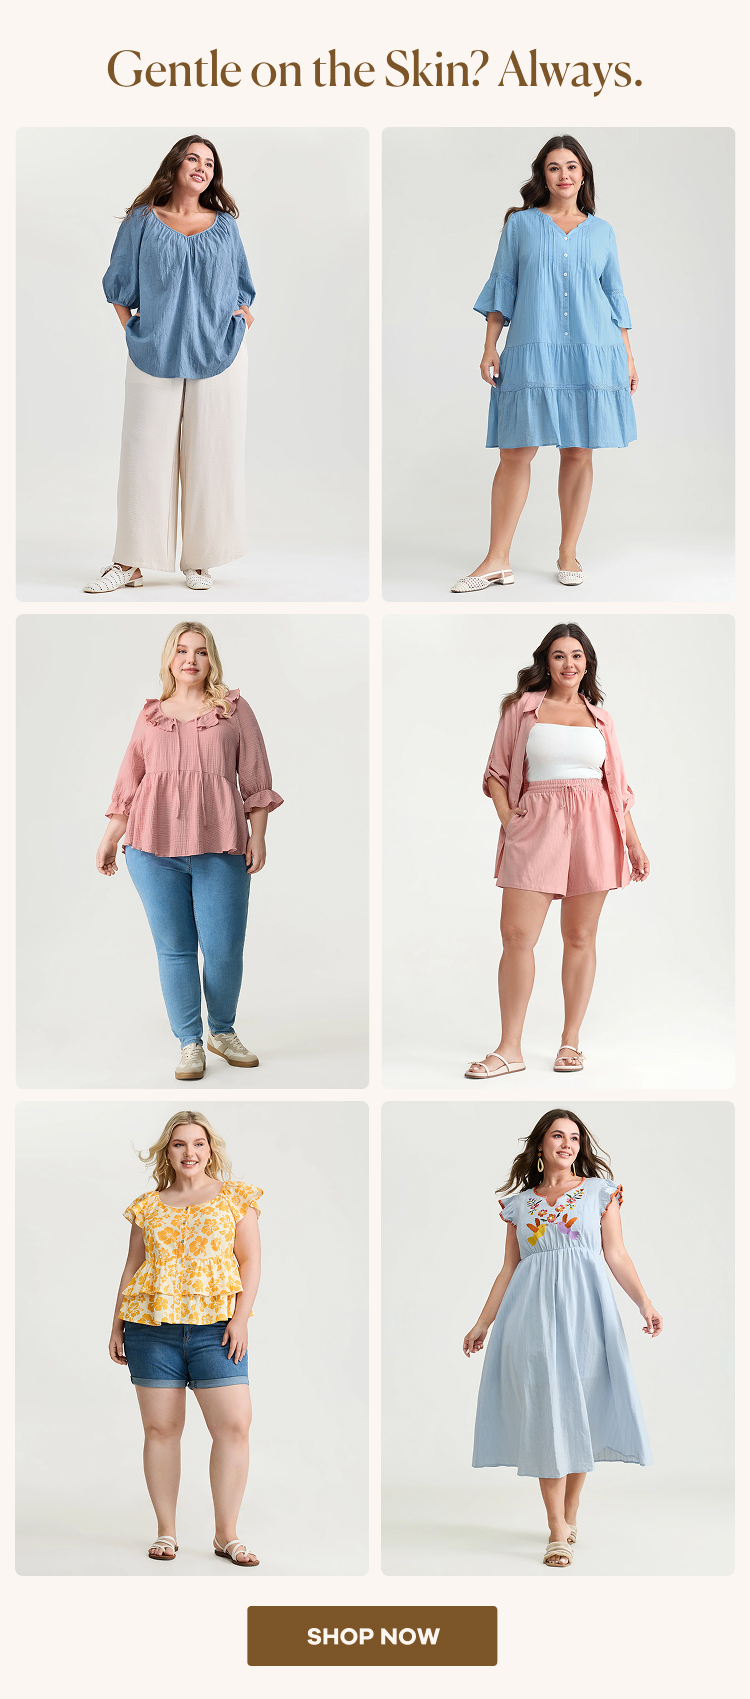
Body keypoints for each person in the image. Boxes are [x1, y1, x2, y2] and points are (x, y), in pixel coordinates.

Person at [463, 1110, 661, 1567]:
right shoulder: (520, 1204)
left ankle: (570, 1514)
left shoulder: (598, 1193)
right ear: (540, 1144)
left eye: (575, 1137)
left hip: (588, 1313)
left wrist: (644, 1303)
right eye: (558, 1135)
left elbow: (616, 1254)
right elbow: (509, 1268)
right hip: (530, 1316)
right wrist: (483, 1323)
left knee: (579, 1412)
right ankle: (556, 1528)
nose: (567, 1144)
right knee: (547, 1415)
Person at [451, 135, 638, 594]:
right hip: (532, 347)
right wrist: (489, 345)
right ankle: (497, 559)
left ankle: (568, 551)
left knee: (579, 449)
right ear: (543, 176)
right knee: (516, 451)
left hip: (595, 350)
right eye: (554, 168)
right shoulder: (521, 226)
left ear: (584, 174)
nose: (564, 175)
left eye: (571, 166)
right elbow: (504, 285)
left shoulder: (602, 231)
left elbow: (614, 296)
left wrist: (629, 358)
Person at [96, 621, 283, 1079]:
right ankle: (189, 1043)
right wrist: (109, 840)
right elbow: (130, 782)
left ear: (211, 659)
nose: (191, 660)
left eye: (200, 652)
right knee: (175, 950)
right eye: (182, 651)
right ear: (169, 659)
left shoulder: (233, 711)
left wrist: (257, 835)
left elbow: (255, 778)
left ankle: (222, 1030)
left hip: (221, 845)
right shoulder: (151, 715)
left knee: (223, 950)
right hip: (151, 848)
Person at [465, 624, 649, 1080]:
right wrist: (511, 820)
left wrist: (633, 841)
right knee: (516, 937)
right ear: (545, 663)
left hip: (596, 827)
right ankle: (510, 1049)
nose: (569, 664)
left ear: (587, 663)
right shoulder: (522, 709)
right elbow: (495, 772)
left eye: (577, 656)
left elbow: (616, 787)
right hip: (537, 825)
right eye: (559, 655)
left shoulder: (601, 718)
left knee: (581, 938)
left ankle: (571, 1042)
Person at [84, 134, 255, 593]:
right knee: (144, 455)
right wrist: (133, 331)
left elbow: (242, 287)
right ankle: (129, 562)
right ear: (175, 165)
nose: (201, 167)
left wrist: (243, 317)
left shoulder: (226, 225)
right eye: (193, 159)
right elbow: (117, 284)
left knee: (212, 455)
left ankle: (200, 560)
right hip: (152, 352)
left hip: (219, 354)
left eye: (209, 162)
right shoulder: (142, 221)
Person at [110, 1111, 263, 1564]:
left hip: (217, 1328)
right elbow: (132, 1267)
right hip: (150, 1329)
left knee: (234, 1426)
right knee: (161, 1429)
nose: (189, 1152)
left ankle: (226, 1535)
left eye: (198, 1143)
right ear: (167, 1152)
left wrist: (241, 1319)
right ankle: (166, 1532)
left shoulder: (237, 1198)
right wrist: (117, 1323)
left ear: (210, 1149)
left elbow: (250, 1262)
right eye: (179, 1144)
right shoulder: (147, 1205)